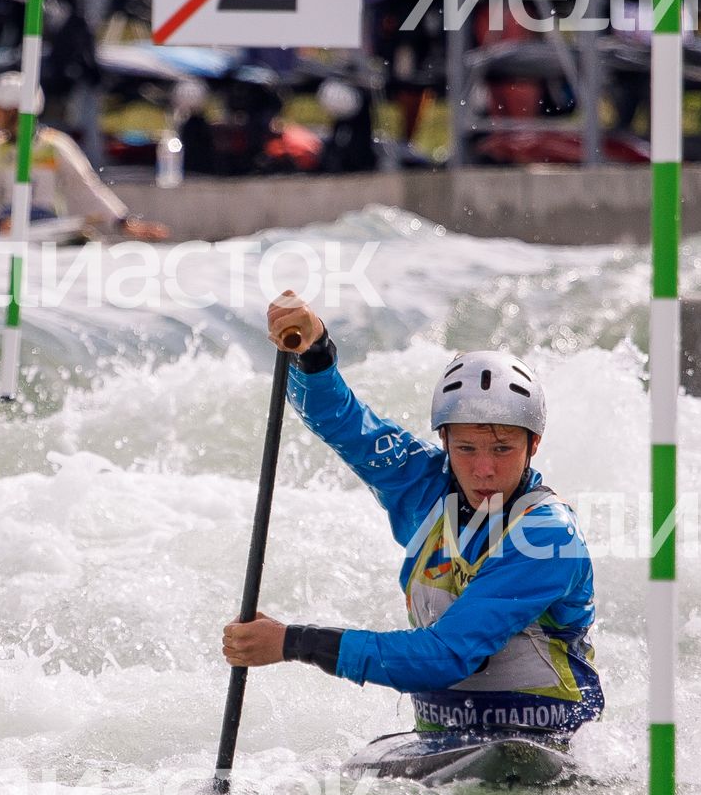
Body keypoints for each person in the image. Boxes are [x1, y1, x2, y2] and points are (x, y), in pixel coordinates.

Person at [220, 293, 602, 742]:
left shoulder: (549, 537)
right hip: (442, 741)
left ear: (533, 444)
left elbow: (446, 657)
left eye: (502, 449)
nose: (483, 469)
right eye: (465, 448)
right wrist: (315, 349)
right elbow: (343, 422)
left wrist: (292, 642)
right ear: (443, 440)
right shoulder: (421, 484)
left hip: (549, 747)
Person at [0, 68, 167, 239]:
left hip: (47, 221)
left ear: (14, 111)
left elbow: (86, 188)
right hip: (9, 221)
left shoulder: (55, 145)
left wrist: (122, 221)